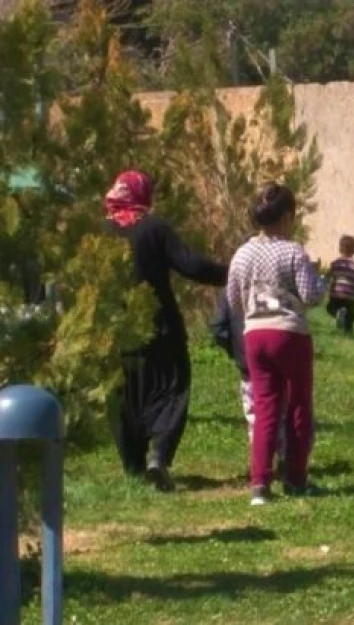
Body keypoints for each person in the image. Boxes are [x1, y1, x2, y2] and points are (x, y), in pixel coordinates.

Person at [104, 170, 228, 492]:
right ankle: (158, 456)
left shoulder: (100, 233)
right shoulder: (154, 228)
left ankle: (132, 464)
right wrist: (232, 272)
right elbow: (191, 265)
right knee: (172, 387)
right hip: (160, 325)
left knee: (124, 394)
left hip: (115, 330)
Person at [226, 182, 326, 505]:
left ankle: (260, 484)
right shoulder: (293, 251)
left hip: (255, 334)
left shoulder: (242, 253)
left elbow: (233, 299)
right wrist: (320, 281)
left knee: (265, 406)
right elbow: (311, 295)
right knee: (297, 404)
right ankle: (295, 477)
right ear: (285, 217)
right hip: (289, 333)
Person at [210, 287, 288, 478]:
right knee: (281, 408)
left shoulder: (230, 291)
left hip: (247, 363)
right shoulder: (275, 287)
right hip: (277, 357)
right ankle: (285, 456)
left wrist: (235, 351)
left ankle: (260, 462)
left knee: (254, 414)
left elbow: (218, 327)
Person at [325, 235, 354, 333]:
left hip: (336, 294)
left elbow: (328, 276)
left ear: (340, 249)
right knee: (350, 315)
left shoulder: (336, 263)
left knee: (330, 308)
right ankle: (348, 330)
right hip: (350, 296)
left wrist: (323, 284)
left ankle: (337, 313)